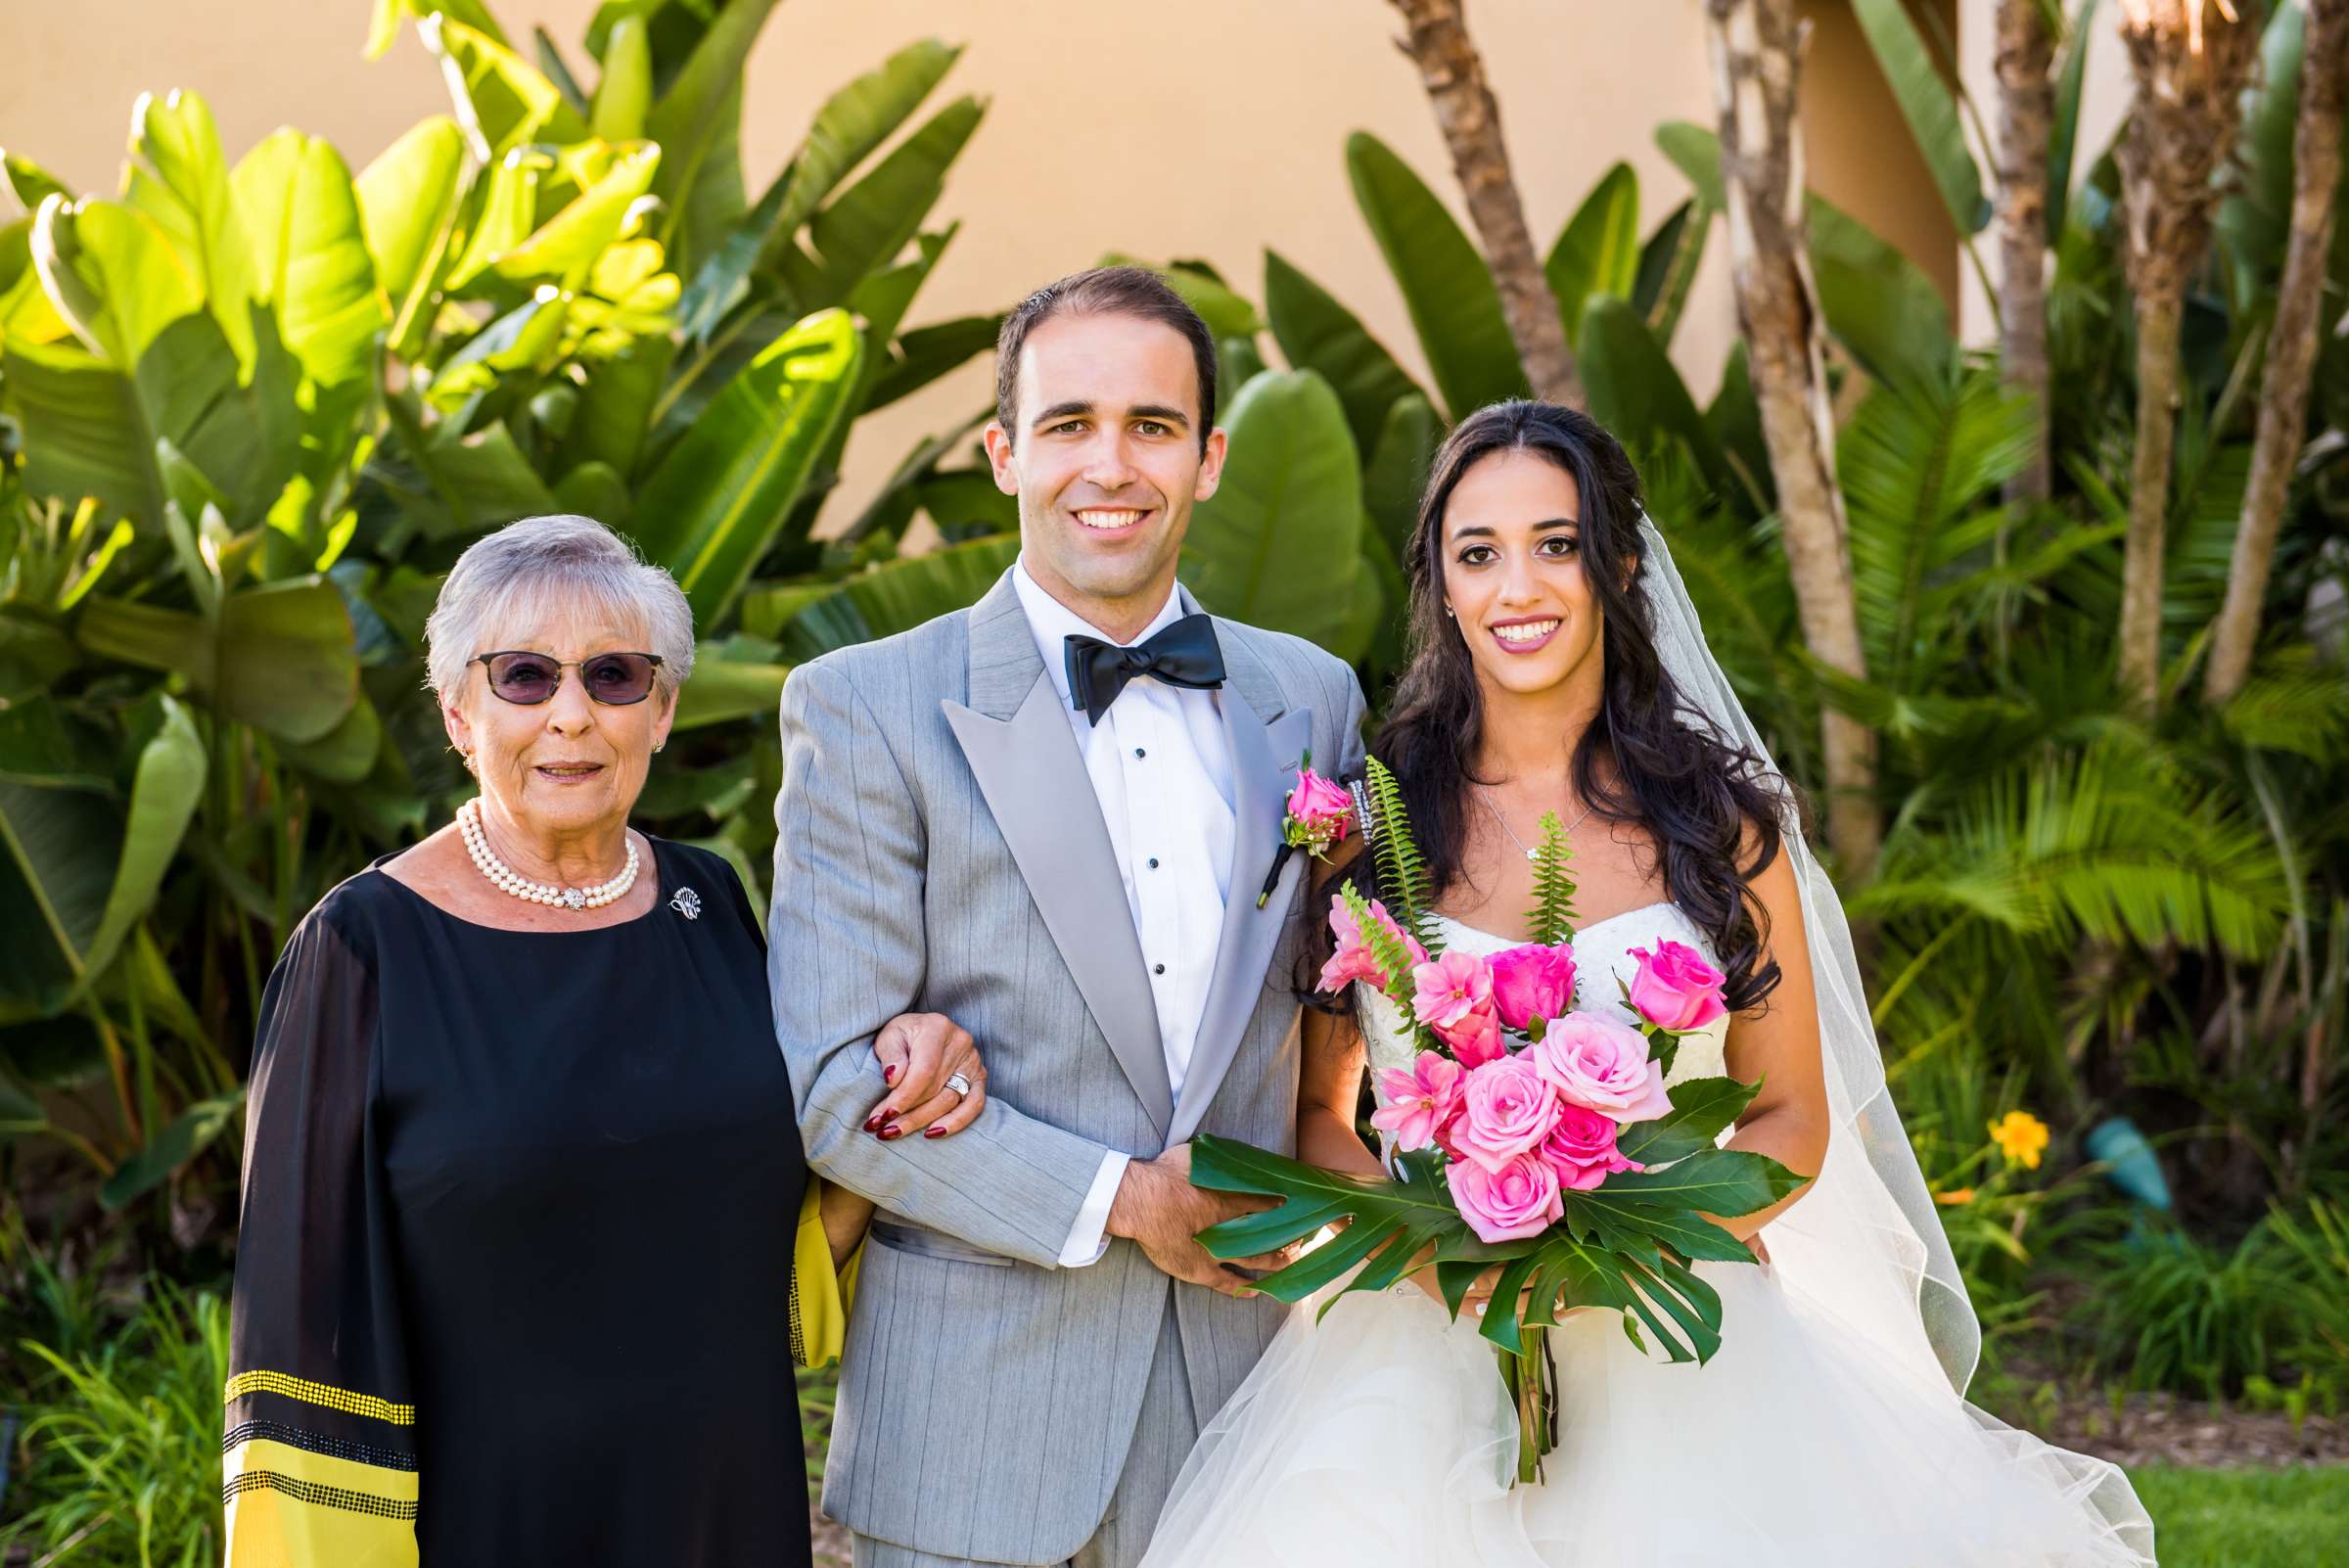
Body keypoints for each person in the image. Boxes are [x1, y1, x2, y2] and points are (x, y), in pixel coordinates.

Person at [1137, 402, 2158, 1566]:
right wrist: (1447, 1262)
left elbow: (1787, 1120)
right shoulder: (1376, 827)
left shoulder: (1721, 831)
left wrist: (1628, 1246)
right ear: (1443, 583)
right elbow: (1324, 1114)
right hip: (1414, 1347)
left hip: (1676, 1344)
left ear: (1618, 566)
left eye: (1556, 544)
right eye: (1479, 553)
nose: (1517, 587)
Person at [224, 514, 988, 1567]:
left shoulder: (708, 901)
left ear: (662, 709)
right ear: (458, 713)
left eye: (616, 676)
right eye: (525, 677)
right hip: (492, 1527)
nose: (573, 717)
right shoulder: (359, 954)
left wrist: (901, 1091)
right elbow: (302, 1340)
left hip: (724, 1508)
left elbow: (745, 1246)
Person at [766, 265, 1370, 1568]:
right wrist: (1121, 1196)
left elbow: (1347, 1012)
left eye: (1153, 426)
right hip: (973, 1437)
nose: (1112, 463)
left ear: (1209, 459)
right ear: (1002, 453)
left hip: (1252, 1412)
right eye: (1067, 424)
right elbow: (827, 1084)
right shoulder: (865, 706)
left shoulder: (1314, 698)